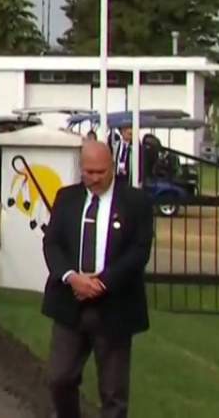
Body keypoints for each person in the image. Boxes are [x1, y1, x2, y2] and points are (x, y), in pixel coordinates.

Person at [43, 140, 153, 418]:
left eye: (101, 172)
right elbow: (52, 243)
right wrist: (72, 278)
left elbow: (139, 251)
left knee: (113, 392)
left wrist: (102, 283)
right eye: (89, 172)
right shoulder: (66, 198)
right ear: (80, 168)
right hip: (70, 303)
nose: (94, 178)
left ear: (112, 167)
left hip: (115, 307)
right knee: (59, 378)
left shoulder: (135, 202)